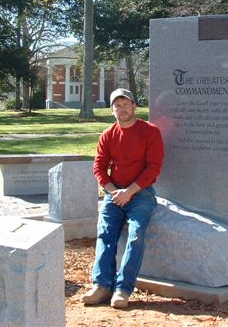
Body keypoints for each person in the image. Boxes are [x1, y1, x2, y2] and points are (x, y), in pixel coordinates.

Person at [81, 88, 164, 309]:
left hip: (141, 193)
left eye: (126, 104)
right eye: (117, 105)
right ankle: (102, 285)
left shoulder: (150, 132)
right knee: (105, 234)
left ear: (134, 106)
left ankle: (122, 289)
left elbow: (153, 168)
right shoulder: (108, 134)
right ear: (112, 109)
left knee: (135, 236)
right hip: (114, 193)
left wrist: (130, 191)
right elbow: (99, 167)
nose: (122, 108)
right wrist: (112, 190)